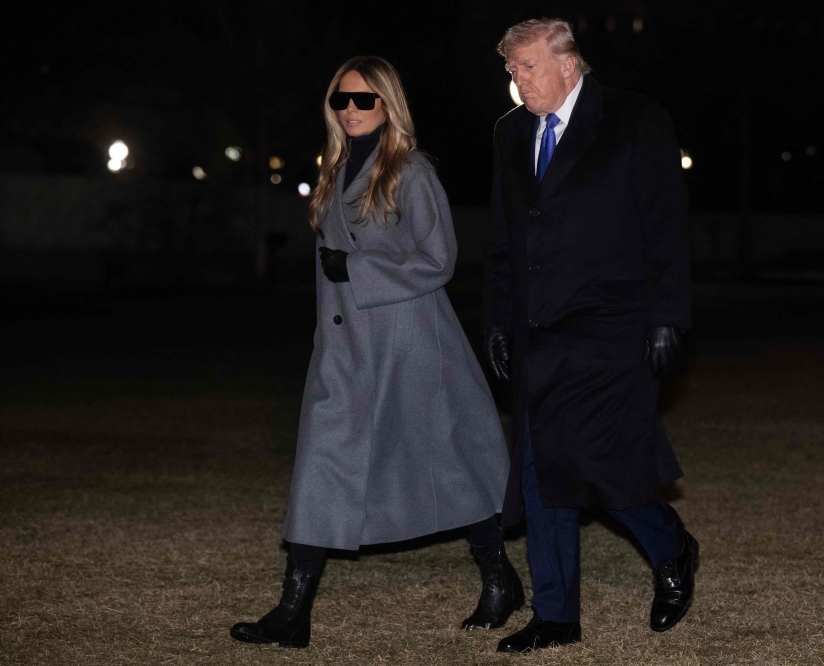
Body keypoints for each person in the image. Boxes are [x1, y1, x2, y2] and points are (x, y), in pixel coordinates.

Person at [230, 56, 522, 649]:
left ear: (389, 105)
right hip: (345, 348)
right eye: (341, 100)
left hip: (410, 344)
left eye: (364, 100)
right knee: (321, 463)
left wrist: (358, 269)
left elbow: (439, 259)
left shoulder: (412, 172)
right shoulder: (335, 168)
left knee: (446, 462)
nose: (351, 110)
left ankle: (499, 578)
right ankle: (293, 612)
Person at [482, 19, 699, 653]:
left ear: (568, 63)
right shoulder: (510, 132)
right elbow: (504, 238)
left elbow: (666, 226)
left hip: (612, 325)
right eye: (511, 70)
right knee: (539, 472)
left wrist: (667, 317)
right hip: (535, 327)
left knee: (600, 465)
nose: (516, 80)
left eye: (525, 66)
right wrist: (497, 318)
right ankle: (556, 616)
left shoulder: (634, 119)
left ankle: (672, 548)